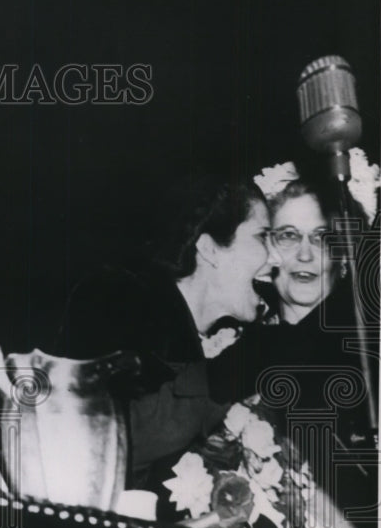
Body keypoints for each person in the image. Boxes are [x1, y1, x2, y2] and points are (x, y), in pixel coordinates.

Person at [56, 177, 279, 484]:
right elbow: (96, 441)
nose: (275, 258)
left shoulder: (203, 342)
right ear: (209, 249)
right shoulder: (118, 301)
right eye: (262, 237)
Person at [208, 175, 378, 522]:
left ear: (342, 254)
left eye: (321, 238)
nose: (304, 253)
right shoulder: (232, 354)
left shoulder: (372, 358)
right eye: (288, 236)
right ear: (268, 251)